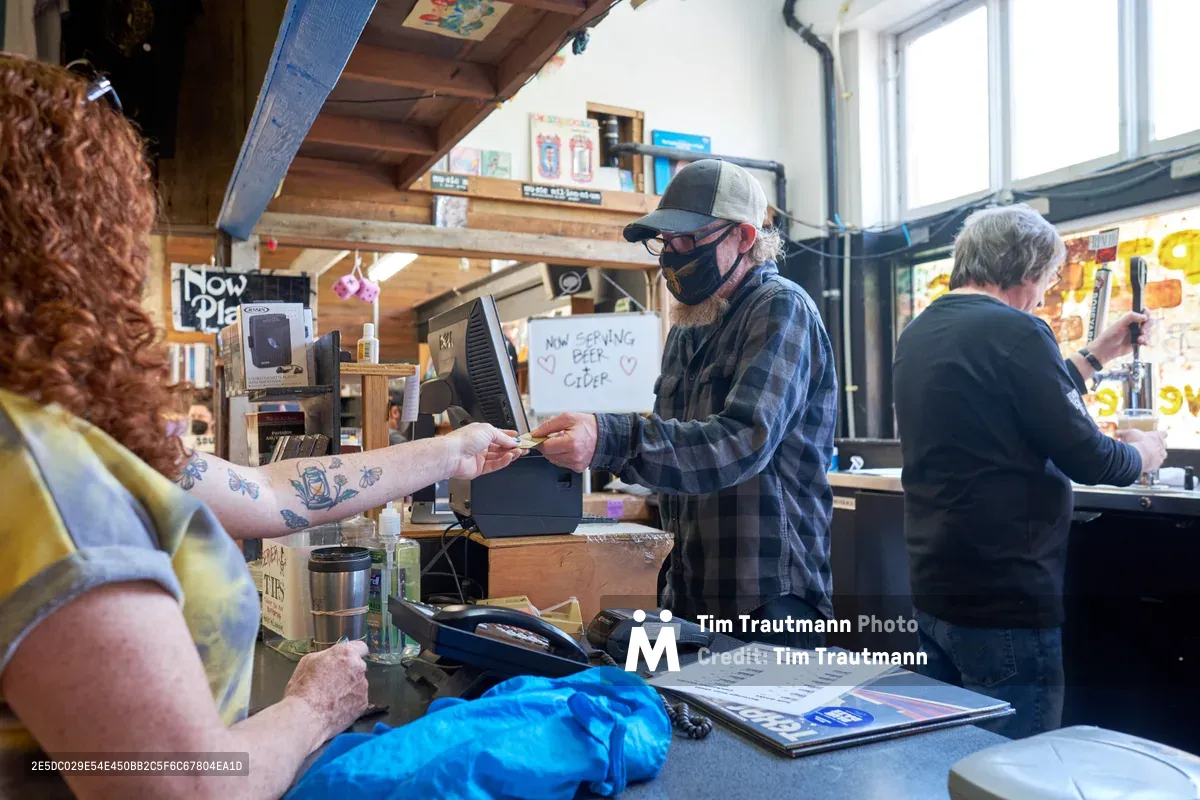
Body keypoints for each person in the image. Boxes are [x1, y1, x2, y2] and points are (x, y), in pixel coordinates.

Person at [0, 56, 522, 799]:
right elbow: (187, 789)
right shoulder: (34, 468)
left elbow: (279, 493)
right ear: (65, 238)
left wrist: (451, 450)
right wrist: (312, 710)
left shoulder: (71, 428)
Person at [531, 159, 839, 647]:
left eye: (688, 241)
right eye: (666, 243)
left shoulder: (782, 309)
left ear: (743, 236)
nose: (671, 256)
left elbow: (741, 442)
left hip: (769, 597)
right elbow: (676, 438)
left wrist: (611, 438)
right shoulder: (690, 325)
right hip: (692, 590)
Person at [892, 204, 1168, 739]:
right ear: (1025, 271)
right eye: (1048, 278)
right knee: (1018, 771)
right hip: (1006, 598)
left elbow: (1017, 403)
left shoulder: (922, 330)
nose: (1046, 292)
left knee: (951, 760)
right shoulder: (1018, 330)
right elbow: (1087, 455)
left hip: (936, 592)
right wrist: (1144, 454)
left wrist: (1097, 352)